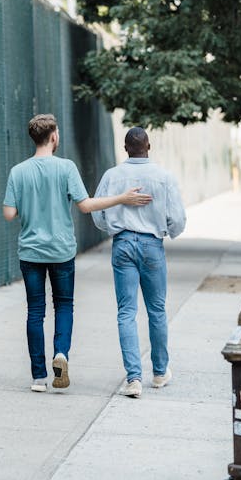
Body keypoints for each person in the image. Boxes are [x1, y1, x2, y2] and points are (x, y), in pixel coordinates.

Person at [3, 114, 151, 393]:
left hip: (31, 253)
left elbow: (9, 213)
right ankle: (61, 354)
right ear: (54, 136)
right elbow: (86, 206)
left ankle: (38, 377)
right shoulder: (66, 168)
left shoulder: (18, 172)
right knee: (64, 305)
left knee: (35, 311)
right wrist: (122, 198)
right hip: (61, 251)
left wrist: (31, 206)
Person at [92, 126, 186, 398]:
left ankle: (133, 379)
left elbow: (98, 212)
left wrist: (112, 227)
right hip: (151, 246)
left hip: (122, 245)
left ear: (125, 148)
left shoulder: (112, 175)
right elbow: (177, 219)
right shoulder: (164, 177)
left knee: (126, 312)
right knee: (156, 310)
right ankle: (159, 373)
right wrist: (168, 231)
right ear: (149, 146)